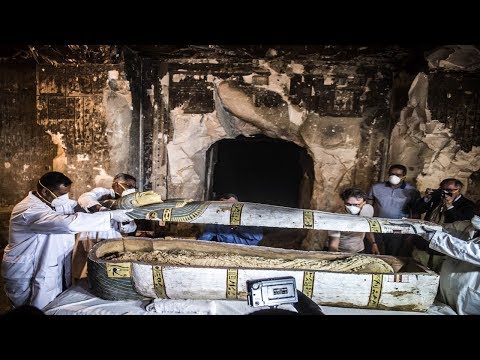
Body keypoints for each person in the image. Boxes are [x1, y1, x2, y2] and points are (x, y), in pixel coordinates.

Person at [1, 171, 132, 310]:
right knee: (27, 308)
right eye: (61, 194)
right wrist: (111, 215)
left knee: (53, 304)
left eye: (67, 194)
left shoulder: (54, 201)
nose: (64, 198)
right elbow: (67, 224)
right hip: (27, 269)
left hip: (50, 263)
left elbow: (81, 204)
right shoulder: (28, 210)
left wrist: (103, 206)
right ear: (45, 191)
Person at [72, 173, 138, 282]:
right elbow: (85, 199)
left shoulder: (128, 202)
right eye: (129, 186)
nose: (132, 190)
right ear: (117, 184)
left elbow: (130, 228)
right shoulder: (102, 193)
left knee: (106, 272)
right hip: (92, 234)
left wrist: (124, 220)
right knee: (84, 270)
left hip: (112, 238)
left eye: (134, 187)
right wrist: (101, 209)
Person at [420, 200, 480, 314]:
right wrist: (420, 226)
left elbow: (471, 251)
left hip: (470, 299)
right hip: (447, 291)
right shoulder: (469, 226)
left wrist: (436, 237)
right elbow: (446, 228)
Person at [412, 178, 475, 272]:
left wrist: (449, 206)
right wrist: (426, 198)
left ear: (458, 190)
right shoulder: (437, 199)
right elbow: (417, 209)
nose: (445, 192)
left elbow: (461, 223)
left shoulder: (467, 205)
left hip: (445, 249)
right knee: (418, 271)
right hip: (425, 243)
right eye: (442, 189)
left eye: (449, 190)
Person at [367, 164, 420, 256]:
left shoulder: (412, 191)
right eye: (392, 174)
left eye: (398, 175)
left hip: (398, 228)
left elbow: (415, 212)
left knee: (393, 254)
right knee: (375, 252)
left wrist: (413, 231)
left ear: (404, 176)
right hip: (378, 226)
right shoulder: (376, 187)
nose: (394, 177)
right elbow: (368, 206)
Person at [198, 193, 263, 245]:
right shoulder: (217, 220)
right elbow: (206, 237)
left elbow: (257, 237)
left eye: (233, 205)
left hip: (247, 250)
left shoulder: (249, 216)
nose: (229, 208)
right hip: (227, 251)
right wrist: (198, 245)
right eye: (224, 206)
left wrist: (236, 226)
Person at [328, 187, 378, 254]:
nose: (352, 207)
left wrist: (373, 243)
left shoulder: (367, 210)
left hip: (359, 250)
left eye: (356, 204)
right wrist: (334, 257)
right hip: (340, 251)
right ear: (344, 202)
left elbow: (368, 229)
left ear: (364, 203)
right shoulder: (336, 217)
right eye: (348, 204)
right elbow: (334, 242)